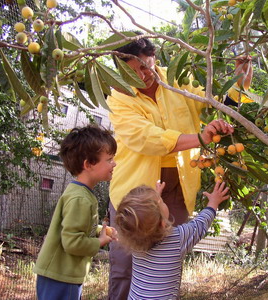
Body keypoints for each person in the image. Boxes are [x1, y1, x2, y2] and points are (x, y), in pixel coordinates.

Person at [106, 35, 252, 299]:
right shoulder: (118, 96)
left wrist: (239, 83)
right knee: (124, 268)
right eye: (136, 70)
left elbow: (211, 102)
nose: (145, 74)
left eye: (148, 65)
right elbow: (144, 137)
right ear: (121, 70)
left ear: (155, 59)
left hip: (178, 184)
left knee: (168, 259)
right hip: (134, 193)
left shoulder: (177, 78)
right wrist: (200, 138)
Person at [33, 125, 118, 300]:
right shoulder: (81, 199)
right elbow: (72, 242)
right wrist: (100, 241)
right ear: (88, 164)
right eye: (109, 159)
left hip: (60, 274)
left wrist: (100, 229)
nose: (114, 163)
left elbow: (79, 227)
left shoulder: (80, 192)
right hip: (61, 276)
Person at [115, 180, 230, 299]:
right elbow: (200, 224)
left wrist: (155, 199)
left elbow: (143, 219)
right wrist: (213, 203)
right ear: (163, 223)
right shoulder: (176, 239)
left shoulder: (134, 238)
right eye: (161, 203)